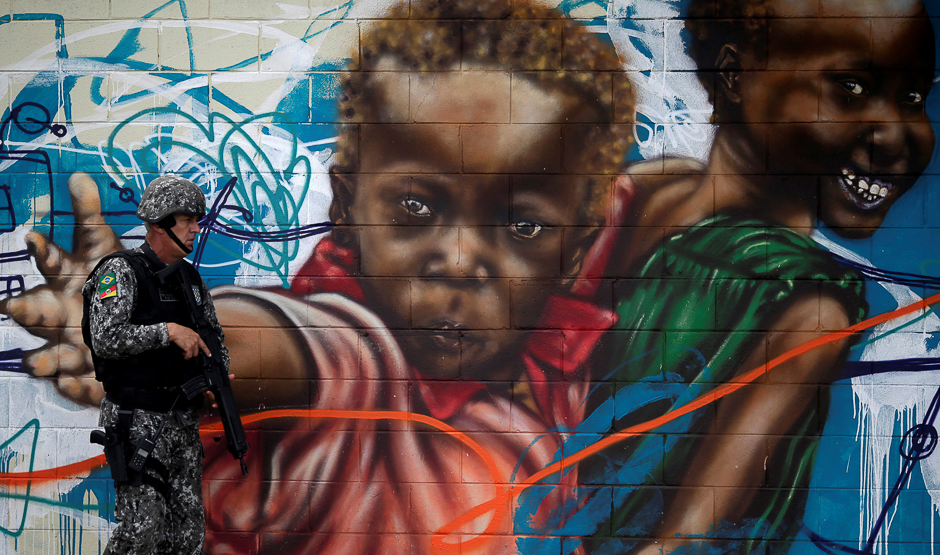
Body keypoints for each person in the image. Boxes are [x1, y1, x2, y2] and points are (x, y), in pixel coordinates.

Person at [0, 0, 634, 553]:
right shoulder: (358, 381)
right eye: (415, 207)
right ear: (347, 208)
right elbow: (287, 346)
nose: (462, 260)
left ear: (576, 247)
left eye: (522, 225)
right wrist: (148, 332)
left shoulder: (554, 325)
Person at [576, 0, 936, 553]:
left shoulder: (651, 194)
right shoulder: (804, 306)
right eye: (851, 87)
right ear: (733, 74)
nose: (896, 133)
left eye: (913, 97)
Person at [83, 175, 228, 555]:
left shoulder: (189, 280)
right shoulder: (121, 272)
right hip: (137, 421)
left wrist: (214, 380)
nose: (197, 229)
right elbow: (106, 338)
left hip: (180, 420)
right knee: (140, 532)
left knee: (186, 535)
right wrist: (166, 332)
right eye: (188, 220)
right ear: (161, 224)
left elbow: (212, 336)